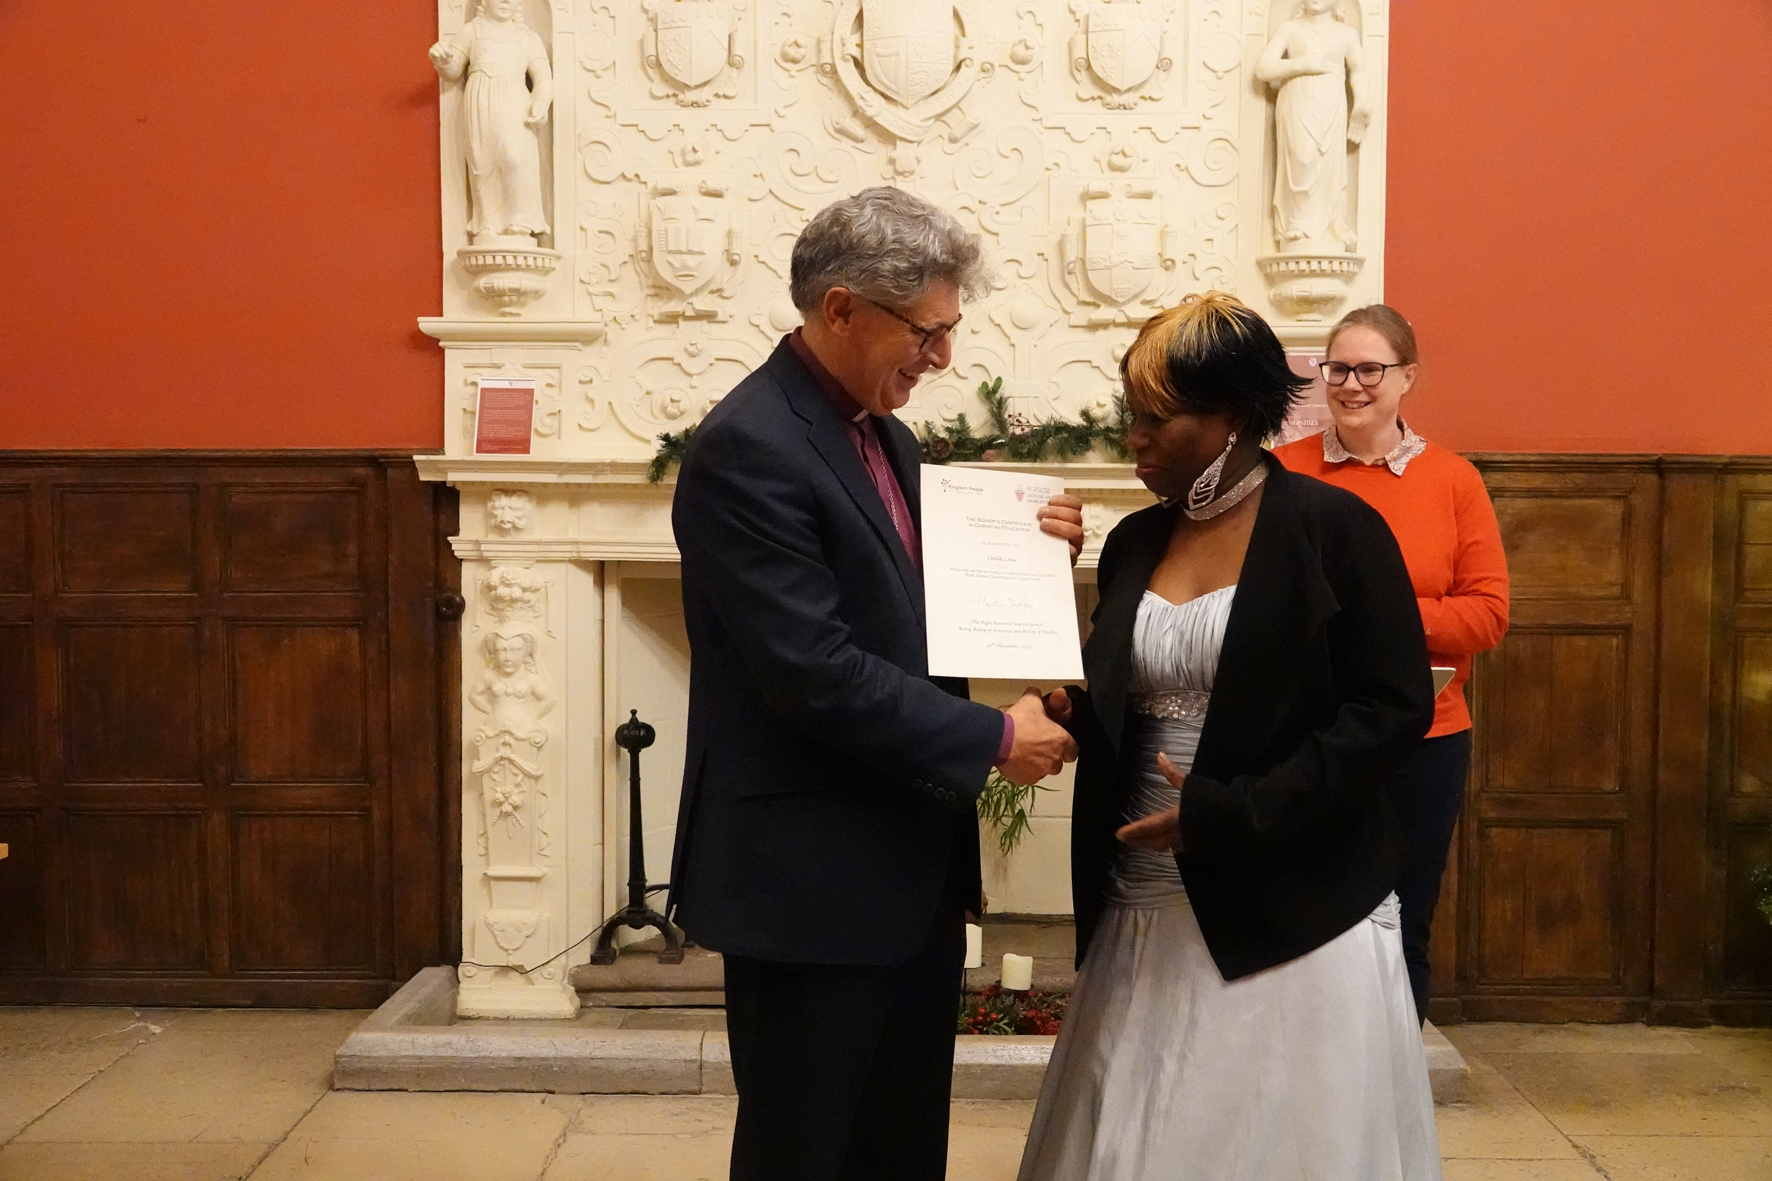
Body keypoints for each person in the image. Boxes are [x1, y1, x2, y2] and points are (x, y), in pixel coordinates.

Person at [666, 186, 1083, 1181]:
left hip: (901, 866)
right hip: (808, 880)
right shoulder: (748, 446)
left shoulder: (882, 436)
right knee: (805, 1149)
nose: (939, 359)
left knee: (897, 1146)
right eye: (924, 333)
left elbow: (897, 614)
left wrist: (1023, 549)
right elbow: (812, 670)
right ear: (840, 307)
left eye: (947, 332)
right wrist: (987, 740)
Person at [1018, 292, 1441, 1181]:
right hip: (1144, 892)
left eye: (1155, 420)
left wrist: (1235, 811)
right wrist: (1067, 709)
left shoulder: (1336, 531)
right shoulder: (1135, 540)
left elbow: (1392, 710)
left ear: (1233, 419)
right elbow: (1125, 706)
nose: (1132, 437)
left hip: (1293, 890)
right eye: (1127, 416)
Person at [1276, 304, 1509, 1022]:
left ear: (1407, 376)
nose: (1350, 384)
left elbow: (1486, 616)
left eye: (1370, 368)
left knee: (1402, 922)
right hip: (1307, 735)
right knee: (1304, 917)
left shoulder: (1453, 480)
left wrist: (1382, 612)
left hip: (1423, 739)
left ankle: (1393, 1103)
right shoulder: (1284, 473)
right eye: (1336, 368)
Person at [428, 0, 553, 240]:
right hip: (480, 102)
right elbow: (453, 70)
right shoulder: (472, 31)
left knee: (515, 157)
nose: (506, 1)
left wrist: (540, 101)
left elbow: (543, 79)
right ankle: (487, 221)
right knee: (481, 158)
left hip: (514, 102)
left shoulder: (528, 38)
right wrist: (442, 60)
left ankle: (520, 219)